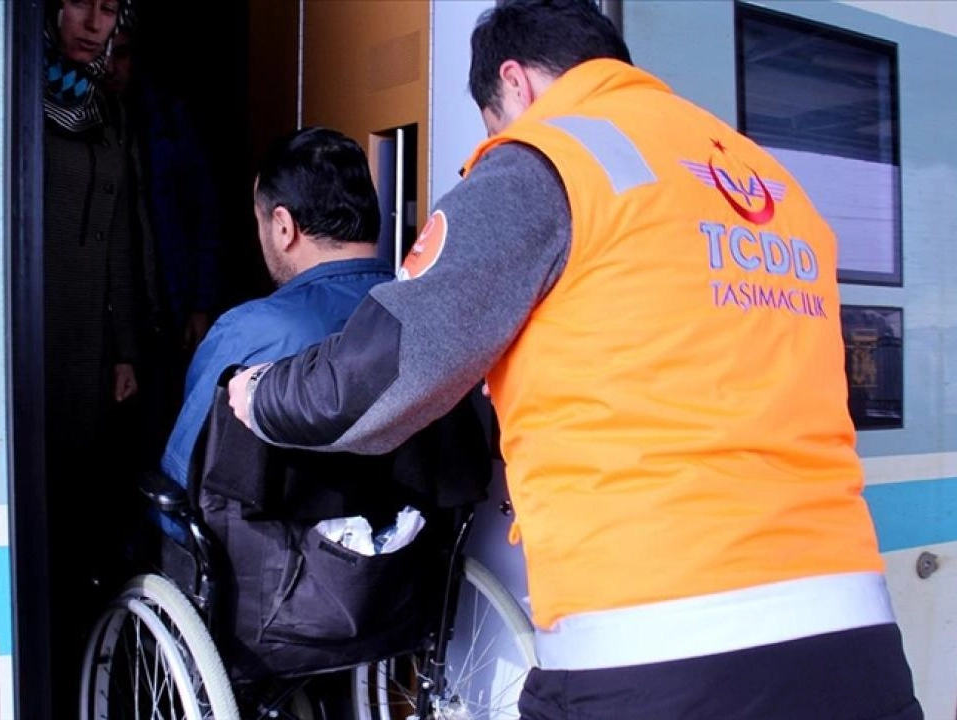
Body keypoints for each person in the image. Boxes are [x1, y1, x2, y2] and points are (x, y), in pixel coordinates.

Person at [227, 1, 922, 718]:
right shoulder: (767, 179)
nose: (497, 140)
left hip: (657, 644)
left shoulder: (547, 160)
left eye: (493, 123)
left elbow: (384, 373)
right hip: (855, 638)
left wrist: (263, 395)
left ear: (515, 83)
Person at [161, 126, 393, 488]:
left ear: (284, 226)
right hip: (405, 524)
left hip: (276, 528)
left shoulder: (247, 333)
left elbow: (184, 478)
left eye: (261, 221)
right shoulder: (417, 316)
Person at [42, 0, 139, 708]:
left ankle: (80, 656)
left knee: (83, 494)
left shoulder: (107, 111)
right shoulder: (14, 95)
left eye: (109, 8)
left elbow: (121, 239)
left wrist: (126, 348)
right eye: (81, 1)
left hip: (91, 338)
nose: (93, 22)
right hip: (30, 329)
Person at [104, 26, 223, 467]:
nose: (110, 67)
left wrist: (199, 303)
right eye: (104, 55)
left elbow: (203, 211)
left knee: (162, 425)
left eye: (121, 54)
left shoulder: (166, 120)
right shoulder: (74, 117)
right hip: (101, 311)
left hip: (164, 305)